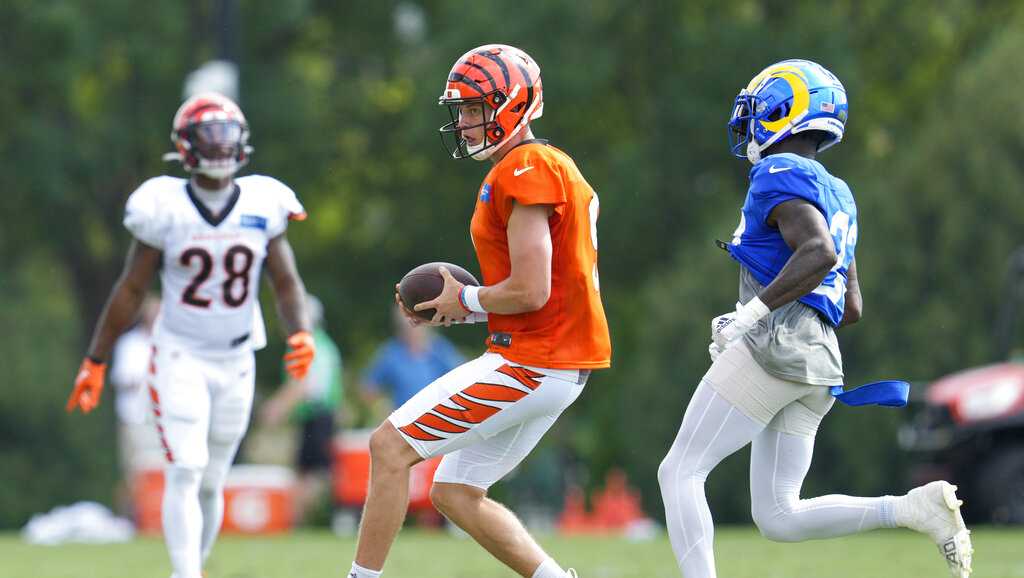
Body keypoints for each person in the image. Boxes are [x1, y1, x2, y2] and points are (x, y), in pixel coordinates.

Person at [656, 60, 972, 578]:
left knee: (680, 471)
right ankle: (911, 509)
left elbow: (819, 251)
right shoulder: (840, 193)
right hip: (822, 362)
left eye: (756, 111)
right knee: (779, 514)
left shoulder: (777, 171)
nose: (748, 122)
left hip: (776, 349)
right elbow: (851, 306)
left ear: (785, 111)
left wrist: (749, 317)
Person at [345, 44, 611, 578]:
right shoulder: (544, 164)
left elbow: (532, 290)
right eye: (462, 110)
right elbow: (549, 294)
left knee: (388, 447)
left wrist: (463, 298)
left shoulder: (526, 166)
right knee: (455, 492)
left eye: (474, 108)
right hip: (555, 361)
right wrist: (467, 313)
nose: (465, 122)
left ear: (513, 104)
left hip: (533, 363)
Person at [66, 92, 316, 578]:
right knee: (185, 467)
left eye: (226, 136)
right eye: (209, 137)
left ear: (241, 143)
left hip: (238, 358)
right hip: (180, 354)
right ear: (185, 147)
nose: (220, 147)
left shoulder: (265, 201)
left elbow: (285, 281)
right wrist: (96, 358)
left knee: (211, 480)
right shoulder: (164, 205)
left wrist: (300, 332)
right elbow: (132, 288)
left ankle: (193, 566)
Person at [260, 294, 343, 525]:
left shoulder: (303, 344)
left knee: (309, 475)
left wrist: (276, 408)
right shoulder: (325, 343)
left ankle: (293, 522)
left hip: (314, 416)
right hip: (324, 415)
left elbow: (300, 386)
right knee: (312, 472)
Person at [109, 295, 164, 510]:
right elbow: (122, 379)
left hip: (163, 419)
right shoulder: (130, 343)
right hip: (135, 417)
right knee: (134, 473)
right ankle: (128, 517)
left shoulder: (167, 344)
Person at [360, 304, 465, 413]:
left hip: (439, 417)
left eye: (416, 322)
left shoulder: (440, 349)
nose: (412, 329)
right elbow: (368, 386)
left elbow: (463, 378)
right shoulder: (391, 353)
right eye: (406, 324)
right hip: (405, 421)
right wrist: (380, 405)